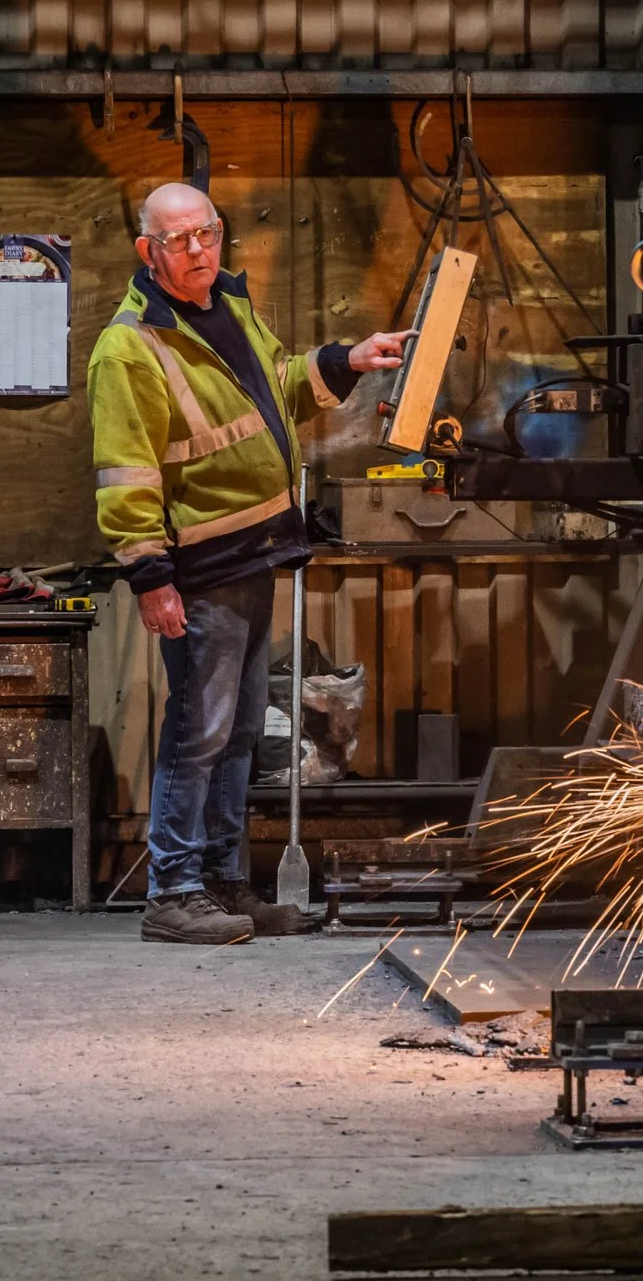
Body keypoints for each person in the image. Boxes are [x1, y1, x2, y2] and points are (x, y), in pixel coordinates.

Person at [89, 182, 411, 945]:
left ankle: (225, 880)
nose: (198, 250)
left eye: (207, 234)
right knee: (199, 730)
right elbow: (124, 475)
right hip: (198, 570)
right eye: (178, 241)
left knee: (235, 734)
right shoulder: (130, 346)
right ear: (148, 251)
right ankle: (173, 890)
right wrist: (150, 576)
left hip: (254, 550)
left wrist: (348, 360)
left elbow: (281, 387)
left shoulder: (230, 308)